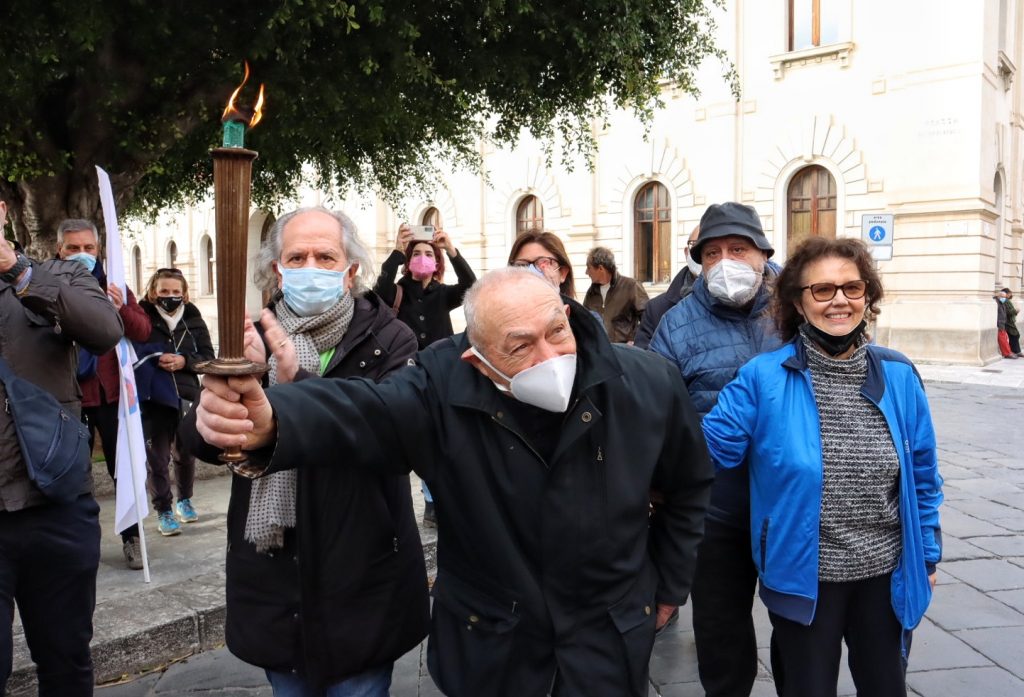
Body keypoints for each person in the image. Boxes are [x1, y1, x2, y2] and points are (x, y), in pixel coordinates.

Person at [195, 267, 714, 697]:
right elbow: (362, 411)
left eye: (557, 331)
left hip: (608, 646)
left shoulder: (647, 382)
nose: (551, 358)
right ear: (479, 359)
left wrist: (668, 586)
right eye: (520, 347)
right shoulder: (439, 387)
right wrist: (272, 420)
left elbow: (689, 488)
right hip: (492, 651)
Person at [185, 207, 429, 696]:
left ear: (351, 269)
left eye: (325, 256)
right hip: (277, 575)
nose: (310, 267)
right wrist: (218, 407)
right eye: (296, 257)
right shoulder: (246, 335)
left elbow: (395, 435)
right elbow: (202, 438)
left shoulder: (391, 338)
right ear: (277, 269)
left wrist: (295, 387)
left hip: (361, 570)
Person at [702, 237, 943, 697]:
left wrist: (928, 551)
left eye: (852, 288)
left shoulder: (899, 375)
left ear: (867, 295)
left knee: (886, 687)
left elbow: (923, 474)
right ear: (798, 300)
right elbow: (709, 451)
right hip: (803, 577)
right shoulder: (762, 378)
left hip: (884, 576)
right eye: (823, 290)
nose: (839, 301)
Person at [649, 202, 783, 697]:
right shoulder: (676, 324)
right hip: (715, 509)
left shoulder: (797, 306)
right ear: (698, 261)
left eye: (737, 249)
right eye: (712, 252)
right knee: (721, 632)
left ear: (763, 253)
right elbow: (657, 415)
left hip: (791, 506)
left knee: (798, 628)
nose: (725, 260)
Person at [0, 198, 124, 695]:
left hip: (54, 506)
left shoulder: (57, 274)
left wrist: (18, 272)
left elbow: (104, 330)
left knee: (66, 662)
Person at [56, 218, 152, 569]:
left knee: (121, 468)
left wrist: (120, 307)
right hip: (67, 398)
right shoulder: (45, 286)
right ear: (59, 250)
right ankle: (77, 546)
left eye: (89, 248)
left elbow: (142, 330)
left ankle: (132, 538)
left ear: (99, 250)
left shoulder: (113, 285)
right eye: (73, 248)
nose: (82, 254)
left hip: (112, 397)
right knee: (71, 474)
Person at [373, 222, 476, 526]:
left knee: (439, 435)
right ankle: (419, 499)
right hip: (405, 373)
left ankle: (435, 499)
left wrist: (450, 248)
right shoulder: (399, 291)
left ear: (436, 262)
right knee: (412, 433)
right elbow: (380, 288)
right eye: (415, 253)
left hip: (441, 374)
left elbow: (472, 287)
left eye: (427, 253)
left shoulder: (443, 294)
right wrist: (395, 250)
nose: (421, 257)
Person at [133, 268, 213, 536]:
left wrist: (184, 361)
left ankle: (185, 500)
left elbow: (207, 357)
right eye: (164, 291)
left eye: (176, 292)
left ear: (184, 293)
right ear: (153, 291)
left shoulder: (193, 317)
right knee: (157, 457)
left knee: (186, 452)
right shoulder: (142, 316)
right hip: (154, 397)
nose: (170, 296)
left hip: (188, 394)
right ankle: (164, 509)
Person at [633, 226, 701, 350]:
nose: (701, 254)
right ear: (687, 253)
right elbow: (643, 361)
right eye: (697, 246)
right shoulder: (657, 309)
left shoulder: (740, 303)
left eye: (712, 250)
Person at [583, 246, 649, 343]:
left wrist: (635, 340)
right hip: (600, 351)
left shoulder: (631, 286)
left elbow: (647, 317)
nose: (586, 272)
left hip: (624, 352)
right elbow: (584, 320)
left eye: (589, 268)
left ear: (600, 268)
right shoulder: (591, 292)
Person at [507, 229, 577, 298]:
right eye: (521, 265)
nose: (530, 272)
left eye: (543, 263)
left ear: (562, 273)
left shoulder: (571, 309)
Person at [1003, 288, 1022, 356]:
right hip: (1008, 322)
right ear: (1006, 294)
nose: (1011, 295)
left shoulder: (1007, 300)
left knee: (1015, 335)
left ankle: (1015, 351)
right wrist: (1015, 311)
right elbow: (1008, 312)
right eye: (1009, 293)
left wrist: (1015, 312)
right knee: (1015, 335)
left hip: (1010, 321)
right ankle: (1015, 351)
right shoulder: (1005, 301)